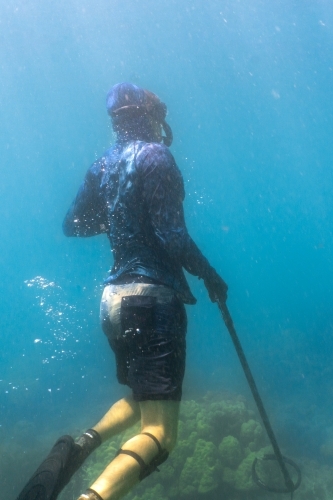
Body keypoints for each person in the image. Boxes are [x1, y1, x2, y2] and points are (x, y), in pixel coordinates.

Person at [16, 82, 228, 500]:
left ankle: (81, 445)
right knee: (162, 434)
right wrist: (211, 276)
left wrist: (117, 219)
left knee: (139, 397)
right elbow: (173, 237)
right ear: (147, 115)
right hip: (152, 303)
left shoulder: (102, 165)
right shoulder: (156, 156)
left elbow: (73, 225)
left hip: (113, 303)